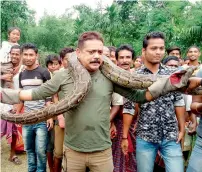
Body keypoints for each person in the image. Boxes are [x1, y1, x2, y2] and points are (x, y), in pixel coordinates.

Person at [0, 31, 200, 172]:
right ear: (78, 54)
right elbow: (33, 94)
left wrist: (170, 85)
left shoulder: (110, 76)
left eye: (99, 52)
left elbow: (139, 96)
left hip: (102, 151)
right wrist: (3, 95)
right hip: (74, 149)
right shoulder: (62, 76)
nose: (97, 56)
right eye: (91, 52)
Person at [121, 32, 186, 172]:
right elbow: (129, 107)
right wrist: (125, 136)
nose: (158, 52)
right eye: (154, 48)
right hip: (145, 136)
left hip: (170, 135)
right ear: (144, 50)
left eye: (161, 48)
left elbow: (179, 102)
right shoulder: (134, 76)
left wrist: (181, 129)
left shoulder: (172, 74)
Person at [16, 43, 51, 172]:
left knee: (41, 151)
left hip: (41, 118)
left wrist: (49, 117)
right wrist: (18, 114)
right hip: (27, 119)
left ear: (36, 55)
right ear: (21, 55)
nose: (28, 57)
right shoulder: (22, 74)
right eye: (25, 54)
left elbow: (49, 96)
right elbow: (21, 96)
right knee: (29, 150)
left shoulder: (44, 72)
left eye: (31, 54)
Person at [112, 44, 137, 172]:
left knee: (134, 158)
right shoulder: (111, 78)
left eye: (128, 57)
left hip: (135, 125)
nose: (125, 60)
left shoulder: (138, 78)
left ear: (132, 60)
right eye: (121, 57)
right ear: (116, 60)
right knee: (116, 157)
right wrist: (110, 122)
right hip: (116, 123)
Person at [0, 45, 22, 165]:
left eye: (17, 54)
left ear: (21, 55)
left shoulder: (24, 67)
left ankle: (12, 155)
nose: (14, 56)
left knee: (14, 130)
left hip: (17, 101)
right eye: (12, 53)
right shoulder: (3, 65)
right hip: (3, 99)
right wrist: (2, 76)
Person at [45, 54, 62, 172]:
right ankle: (52, 169)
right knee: (50, 144)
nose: (54, 66)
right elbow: (47, 99)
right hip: (51, 116)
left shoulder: (63, 77)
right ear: (47, 66)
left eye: (56, 64)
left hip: (61, 115)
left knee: (59, 147)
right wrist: (50, 116)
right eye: (51, 64)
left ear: (60, 65)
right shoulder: (47, 79)